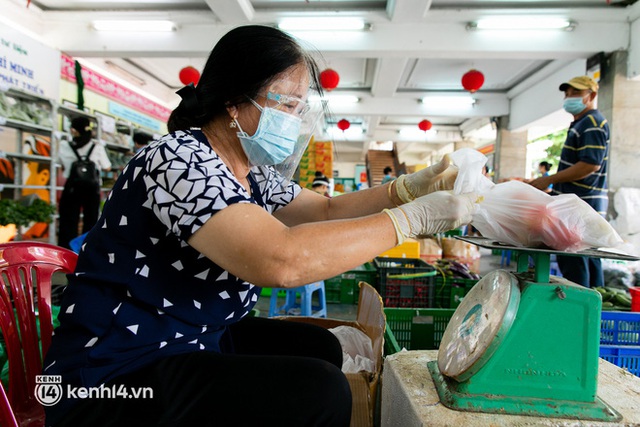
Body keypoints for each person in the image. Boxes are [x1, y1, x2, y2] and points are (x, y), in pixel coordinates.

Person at [43, 25, 476, 427]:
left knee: (322, 348)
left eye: (299, 106)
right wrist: (410, 220)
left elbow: (326, 211)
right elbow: (280, 260)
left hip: (195, 336)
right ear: (233, 102)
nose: (294, 117)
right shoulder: (177, 159)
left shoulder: (250, 172)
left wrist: (405, 190)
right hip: (113, 374)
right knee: (318, 391)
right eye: (285, 103)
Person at [530, 75, 610, 288]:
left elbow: (590, 164)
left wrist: (550, 179)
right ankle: (592, 306)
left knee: (575, 258)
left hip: (582, 203)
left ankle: (580, 306)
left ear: (591, 96)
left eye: (576, 93)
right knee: (585, 257)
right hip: (580, 202)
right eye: (567, 94)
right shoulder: (582, 123)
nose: (569, 97)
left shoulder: (591, 123)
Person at [57, 116, 111, 250]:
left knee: (68, 221)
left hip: (72, 188)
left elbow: (62, 164)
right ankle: (87, 251)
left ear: (74, 130)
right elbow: (107, 167)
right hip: (91, 189)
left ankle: (66, 252)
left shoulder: (65, 146)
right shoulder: (96, 147)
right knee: (91, 220)